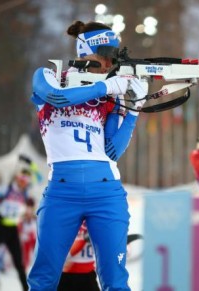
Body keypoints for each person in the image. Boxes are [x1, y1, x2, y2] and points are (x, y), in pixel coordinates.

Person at [28, 20, 147, 290]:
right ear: (84, 52)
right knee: (43, 279)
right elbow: (56, 97)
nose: (107, 64)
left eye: (111, 58)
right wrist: (106, 87)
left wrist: (134, 109)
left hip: (106, 191)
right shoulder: (49, 76)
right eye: (103, 56)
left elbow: (112, 150)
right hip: (61, 191)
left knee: (115, 281)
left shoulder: (109, 94)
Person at [57, 221, 99, 291]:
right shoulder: (66, 219)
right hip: (67, 274)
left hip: (88, 273)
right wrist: (83, 240)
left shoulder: (94, 219)